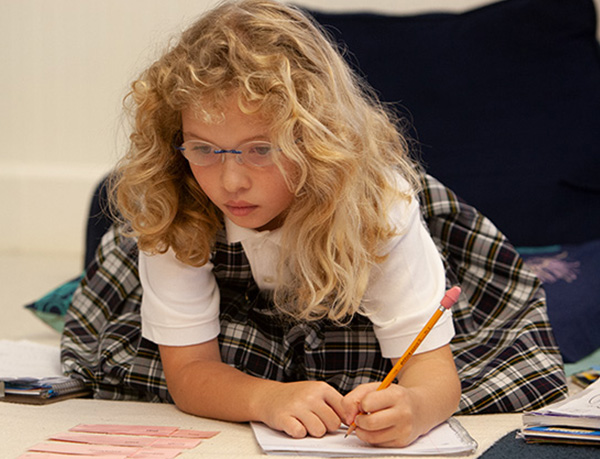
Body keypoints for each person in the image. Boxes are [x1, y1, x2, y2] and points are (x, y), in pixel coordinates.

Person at [61, 0, 566, 449]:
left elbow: (433, 372)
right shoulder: (178, 200)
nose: (231, 180)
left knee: (391, 375)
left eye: (260, 149)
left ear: (317, 139)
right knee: (160, 363)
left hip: (352, 307)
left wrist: (415, 409)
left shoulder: (376, 204)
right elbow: (190, 371)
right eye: (205, 149)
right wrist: (266, 398)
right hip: (242, 308)